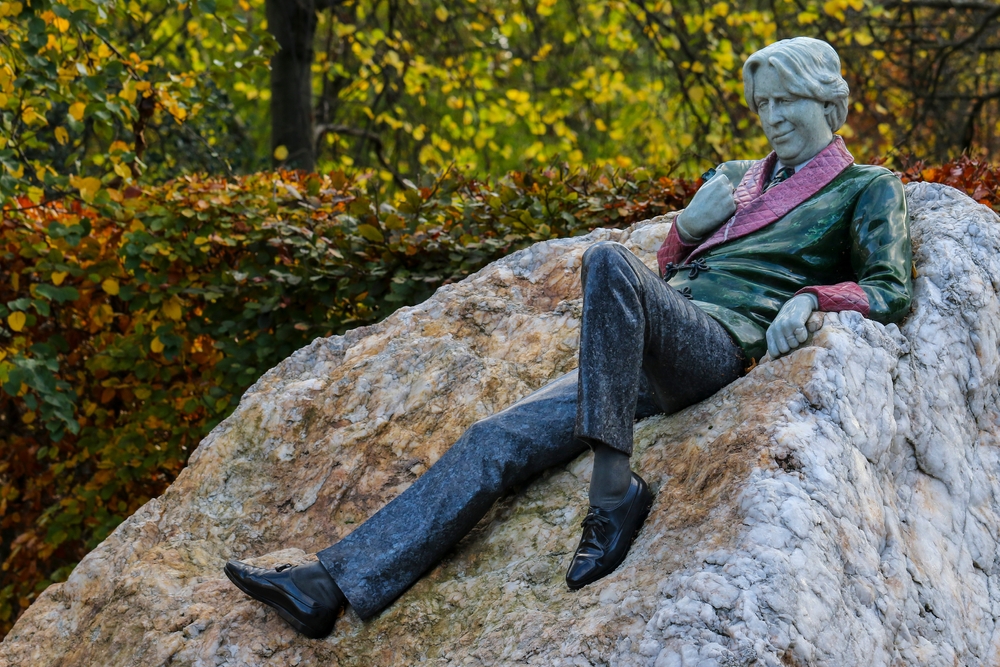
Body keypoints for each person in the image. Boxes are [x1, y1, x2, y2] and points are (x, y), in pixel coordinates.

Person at [224, 36, 912, 639]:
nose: (772, 118)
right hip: (643, 350)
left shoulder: (864, 188)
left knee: (609, 259)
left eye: (786, 101)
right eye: (762, 105)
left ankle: (614, 492)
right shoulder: (736, 179)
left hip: (719, 349)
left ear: (830, 102)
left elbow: (890, 287)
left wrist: (811, 296)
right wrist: (689, 229)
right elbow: (670, 269)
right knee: (494, 436)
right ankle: (327, 586)